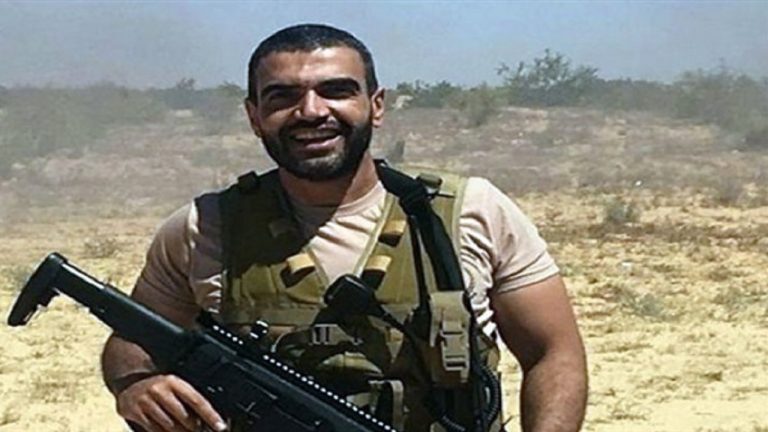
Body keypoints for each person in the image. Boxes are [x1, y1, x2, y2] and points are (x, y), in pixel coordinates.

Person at [101, 24, 587, 432]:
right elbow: (132, 343)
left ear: (376, 105)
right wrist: (135, 385)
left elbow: (554, 352)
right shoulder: (203, 227)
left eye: (336, 90)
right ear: (254, 116)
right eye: (283, 97)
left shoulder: (470, 212)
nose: (311, 111)